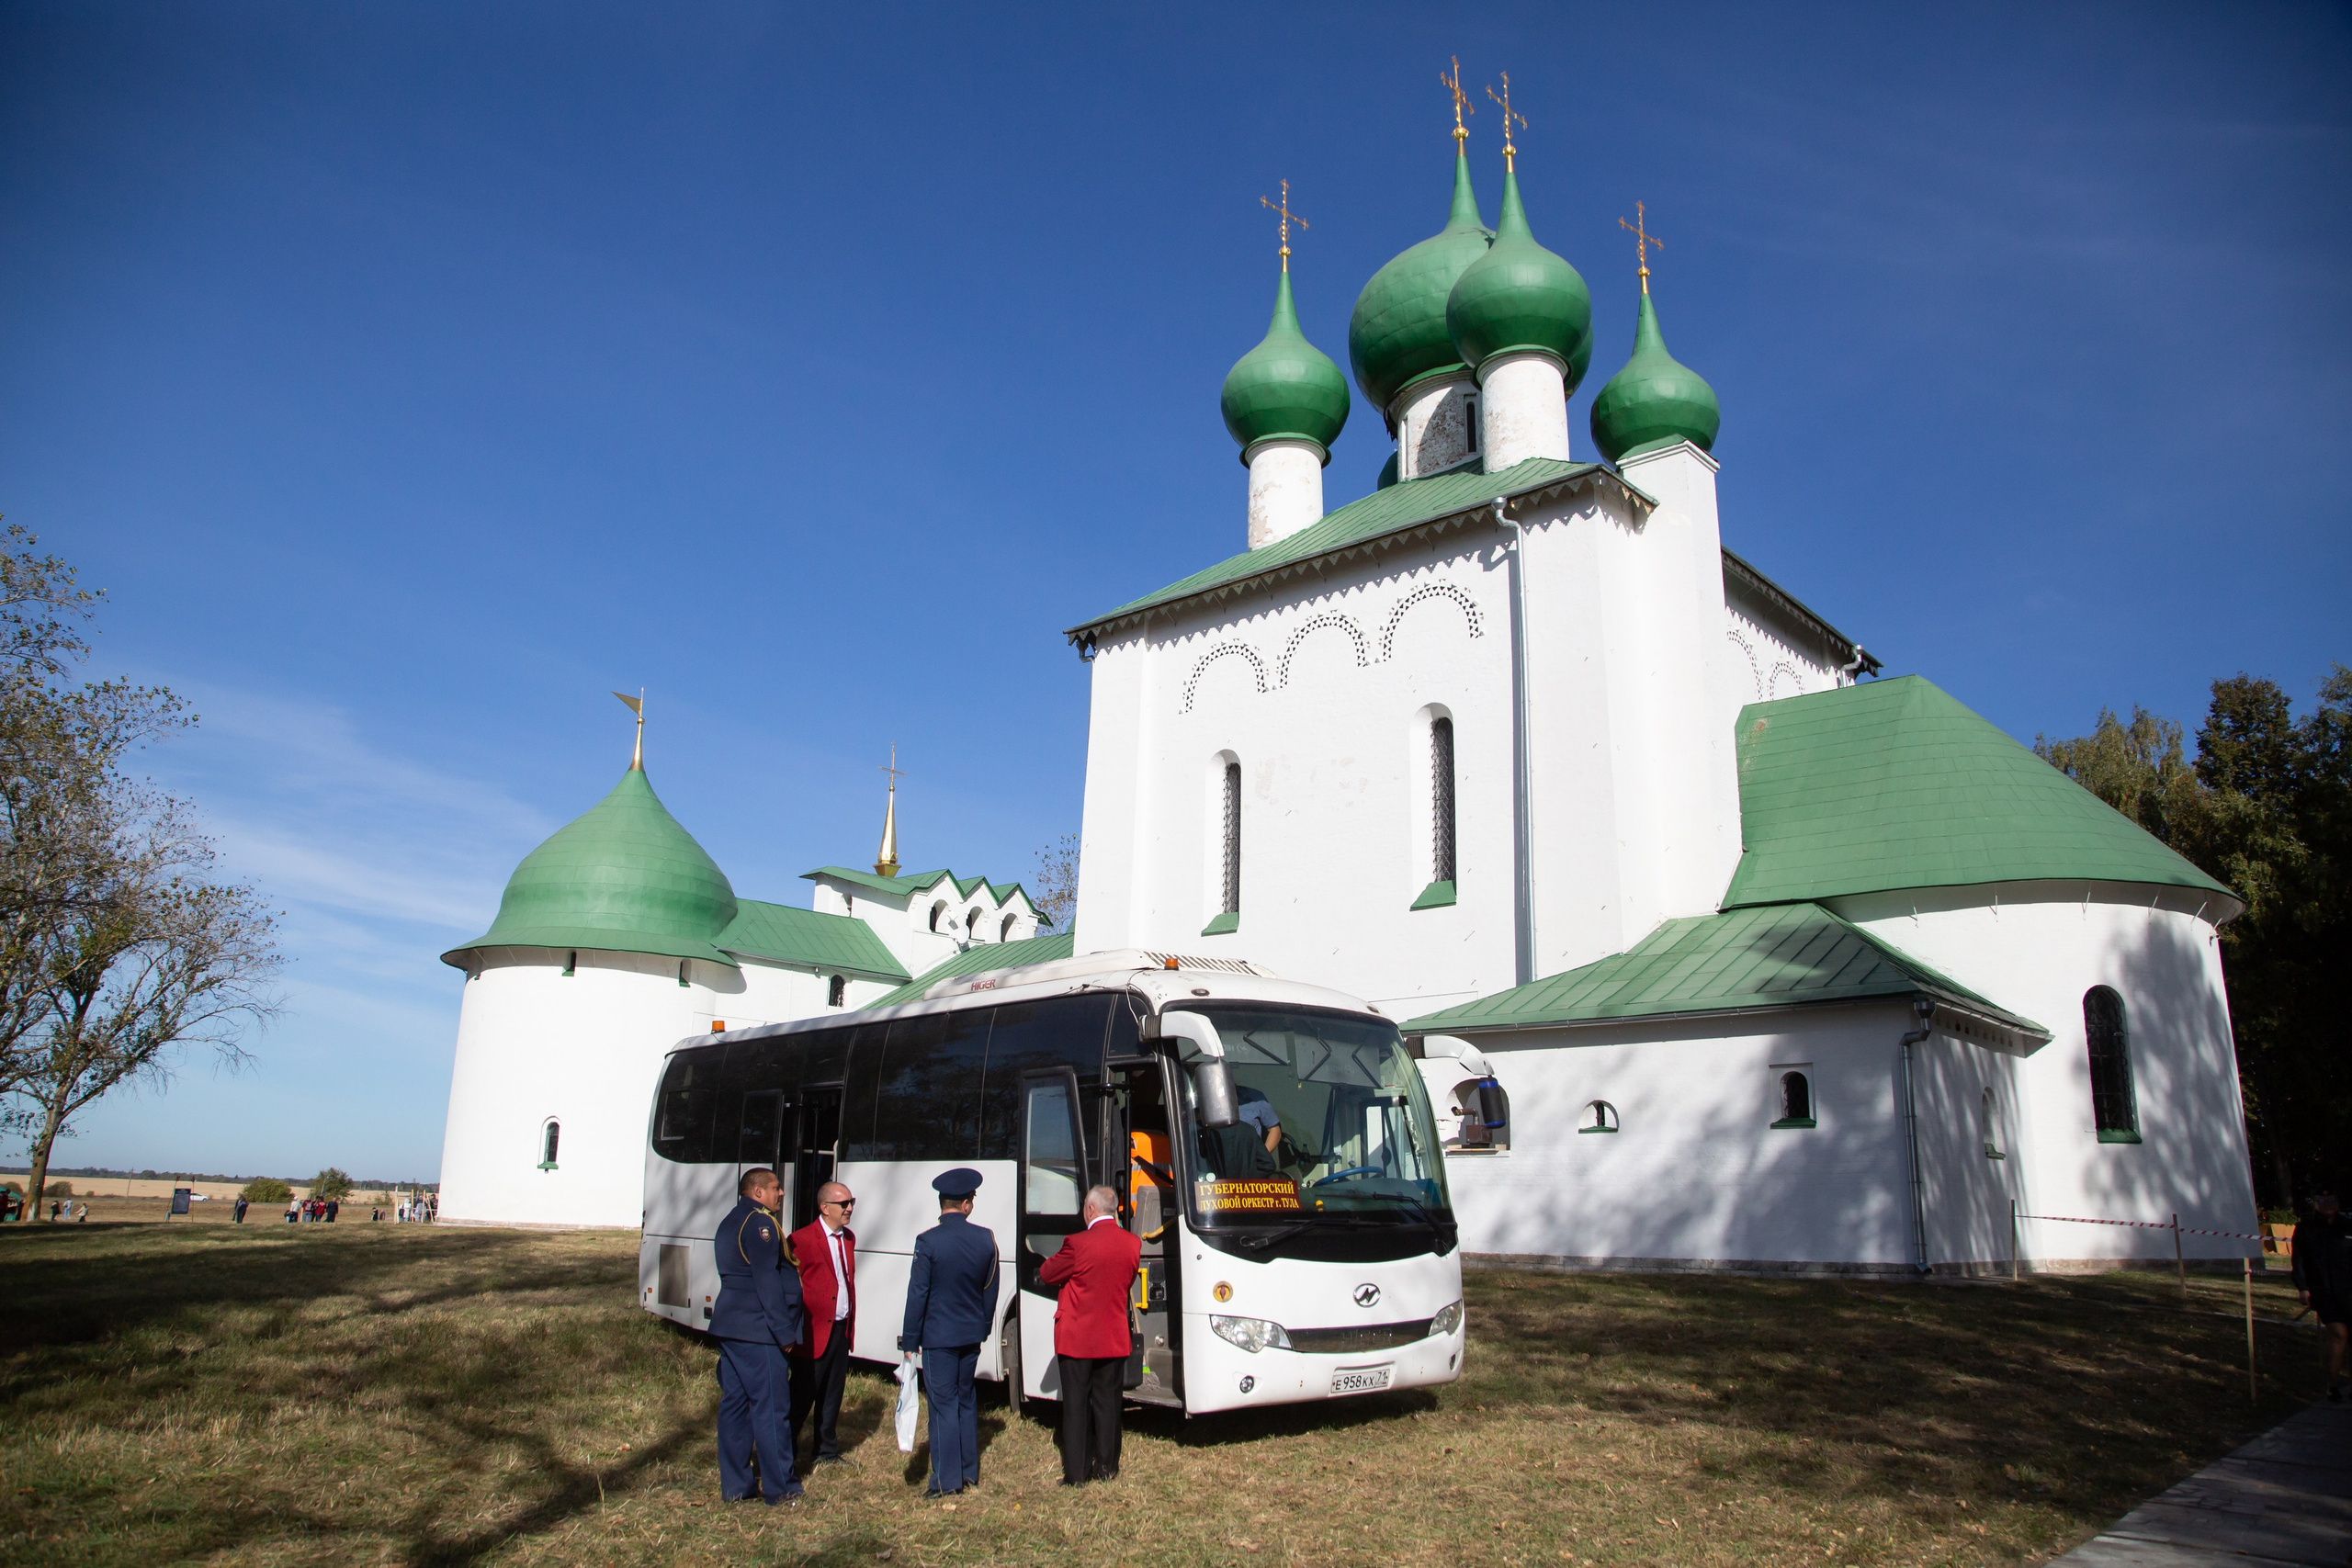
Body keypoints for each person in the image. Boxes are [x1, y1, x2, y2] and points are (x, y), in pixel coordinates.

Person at [899, 1168, 999, 1498]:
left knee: (943, 1406)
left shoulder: (927, 1241)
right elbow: (990, 1288)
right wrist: (984, 1326)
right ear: (967, 1204)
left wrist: (910, 1340)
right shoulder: (985, 1238)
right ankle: (969, 1471)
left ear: (943, 1203)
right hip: (971, 1334)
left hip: (939, 1337)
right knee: (966, 1400)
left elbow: (918, 1294)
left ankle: (946, 1480)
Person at [710, 1166, 804, 1504]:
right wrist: (784, 1331)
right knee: (771, 1408)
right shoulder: (760, 1223)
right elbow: (767, 1280)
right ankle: (782, 1489)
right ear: (757, 1192)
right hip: (758, 1331)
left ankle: (736, 1486)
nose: (781, 1193)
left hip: (732, 1326)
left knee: (735, 1406)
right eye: (775, 1188)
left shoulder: (731, 1220)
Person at [1037, 1184, 1143, 1485]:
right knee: (1109, 1404)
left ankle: (1077, 1473)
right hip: (1113, 1336)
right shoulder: (1132, 1244)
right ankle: (1107, 1468)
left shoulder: (1077, 1243)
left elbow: (1048, 1273)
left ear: (1091, 1209)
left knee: (1076, 1406)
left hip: (1078, 1338)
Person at [787, 1180, 859, 1470]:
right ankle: (785, 1450)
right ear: (825, 1207)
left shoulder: (849, 1238)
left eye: (852, 1202)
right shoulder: (801, 1239)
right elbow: (792, 1285)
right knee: (803, 1394)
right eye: (844, 1204)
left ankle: (826, 1449)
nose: (850, 1208)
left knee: (832, 1392)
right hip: (813, 1331)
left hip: (841, 1328)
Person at [2291, 1189, 2352, 1402]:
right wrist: (2303, 1287)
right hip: (2324, 1291)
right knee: (2338, 1334)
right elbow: (2298, 1261)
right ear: (2316, 1203)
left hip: (2349, 1290)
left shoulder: (2347, 1226)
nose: (2327, 1204)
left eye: (2332, 1199)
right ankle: (2332, 1385)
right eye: (2322, 1200)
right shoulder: (2305, 1228)